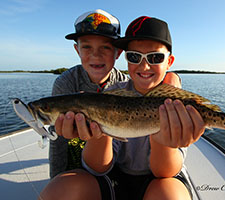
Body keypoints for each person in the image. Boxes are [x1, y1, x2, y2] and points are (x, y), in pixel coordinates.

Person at [40, 16, 205, 200]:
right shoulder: (112, 93)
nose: (145, 65)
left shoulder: (176, 104)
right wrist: (98, 134)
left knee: (169, 195)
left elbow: (164, 172)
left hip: (163, 179)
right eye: (134, 57)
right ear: (125, 59)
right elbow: (98, 167)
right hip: (115, 177)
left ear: (169, 61)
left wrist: (161, 140)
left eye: (155, 57)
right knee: (61, 188)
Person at [49, 9, 181, 179]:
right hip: (93, 161)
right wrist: (56, 178)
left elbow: (150, 82)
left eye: (105, 47)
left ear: (118, 53)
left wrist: (172, 80)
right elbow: (57, 143)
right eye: (134, 57)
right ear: (77, 50)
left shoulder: (122, 84)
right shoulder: (66, 83)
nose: (96, 55)